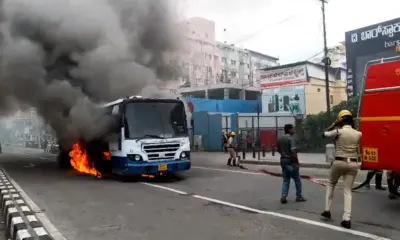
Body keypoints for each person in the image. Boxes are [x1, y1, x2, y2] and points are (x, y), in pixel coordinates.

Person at [321, 109, 362, 229]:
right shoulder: (358, 134)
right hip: (353, 163)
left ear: (341, 120)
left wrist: (334, 124)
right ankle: (347, 218)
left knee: (331, 183)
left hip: (339, 162)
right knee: (347, 191)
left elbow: (324, 134)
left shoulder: (338, 131)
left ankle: (327, 210)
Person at [277, 124, 306, 204]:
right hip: (291, 162)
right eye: (292, 129)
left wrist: (284, 154)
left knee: (286, 180)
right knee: (297, 179)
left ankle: (283, 196)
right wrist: (296, 162)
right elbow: (293, 151)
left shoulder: (280, 138)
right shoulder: (290, 138)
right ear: (289, 130)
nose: (293, 130)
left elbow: (278, 150)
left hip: (283, 161)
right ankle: (299, 196)